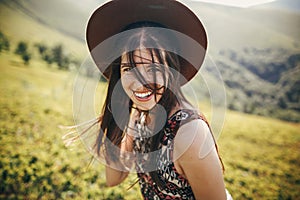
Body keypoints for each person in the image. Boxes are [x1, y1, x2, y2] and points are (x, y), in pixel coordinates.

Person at [81, 0, 233, 199]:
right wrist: (119, 117)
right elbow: (114, 178)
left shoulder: (190, 134)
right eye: (129, 68)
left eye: (153, 68)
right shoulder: (139, 117)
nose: (139, 83)